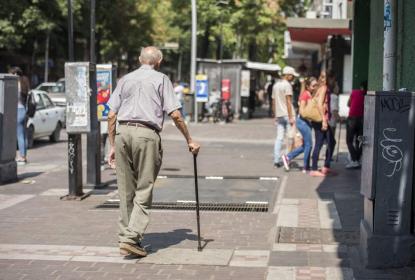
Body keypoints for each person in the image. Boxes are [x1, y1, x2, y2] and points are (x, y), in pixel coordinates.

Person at [107, 46, 200, 258]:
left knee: (125, 190)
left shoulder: (125, 79)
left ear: (140, 59)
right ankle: (132, 238)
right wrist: (190, 140)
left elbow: (111, 115)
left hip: (123, 133)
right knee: (144, 187)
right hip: (146, 135)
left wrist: (113, 145)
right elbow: (175, 115)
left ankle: (126, 238)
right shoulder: (162, 79)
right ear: (159, 62)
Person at [281, 77, 318, 172]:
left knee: (305, 145)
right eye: (313, 85)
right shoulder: (305, 95)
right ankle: (306, 167)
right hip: (303, 122)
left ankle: (287, 157)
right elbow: (302, 111)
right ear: (308, 86)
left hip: (306, 122)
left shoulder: (310, 94)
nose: (315, 87)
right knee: (309, 145)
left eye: (316, 85)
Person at [309, 71, 336, 177]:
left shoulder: (318, 88)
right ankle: (314, 169)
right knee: (319, 143)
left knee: (331, 142)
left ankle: (325, 166)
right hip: (321, 120)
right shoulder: (324, 88)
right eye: (332, 78)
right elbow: (320, 104)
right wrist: (324, 120)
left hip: (319, 119)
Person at [272, 66, 299, 168]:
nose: (293, 77)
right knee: (290, 138)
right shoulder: (287, 85)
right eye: (292, 75)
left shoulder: (276, 86)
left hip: (279, 115)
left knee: (279, 138)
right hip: (288, 115)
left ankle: (276, 160)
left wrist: (275, 114)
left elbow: (273, 101)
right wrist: (291, 116)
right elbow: (288, 101)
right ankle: (287, 159)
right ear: (287, 75)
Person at [10, 67, 30, 165]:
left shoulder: (15, 84)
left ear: (15, 74)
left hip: (17, 110)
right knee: (23, 134)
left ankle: (21, 157)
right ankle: (23, 156)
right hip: (24, 110)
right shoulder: (24, 83)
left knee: (19, 135)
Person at [345, 81, 366, 169]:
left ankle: (354, 160)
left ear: (361, 87)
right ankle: (357, 159)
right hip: (362, 119)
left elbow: (348, 104)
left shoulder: (354, 92)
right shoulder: (367, 95)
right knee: (359, 140)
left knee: (349, 141)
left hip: (352, 119)